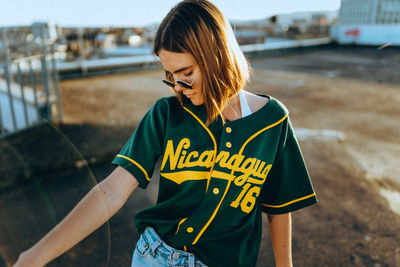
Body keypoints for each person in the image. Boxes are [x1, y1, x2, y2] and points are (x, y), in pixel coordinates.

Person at [13, 1, 317, 266]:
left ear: (218, 57)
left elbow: (278, 209)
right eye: (170, 77)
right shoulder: (166, 114)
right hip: (155, 256)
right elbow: (112, 191)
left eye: (186, 74)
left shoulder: (273, 121)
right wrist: (36, 256)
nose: (178, 89)